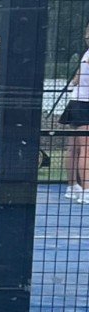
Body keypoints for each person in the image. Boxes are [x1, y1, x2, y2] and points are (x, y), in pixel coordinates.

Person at [60, 22, 89, 203]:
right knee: (85, 148)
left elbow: (76, 80)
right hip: (84, 104)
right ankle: (86, 190)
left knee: (75, 148)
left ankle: (73, 187)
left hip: (76, 102)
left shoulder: (86, 54)